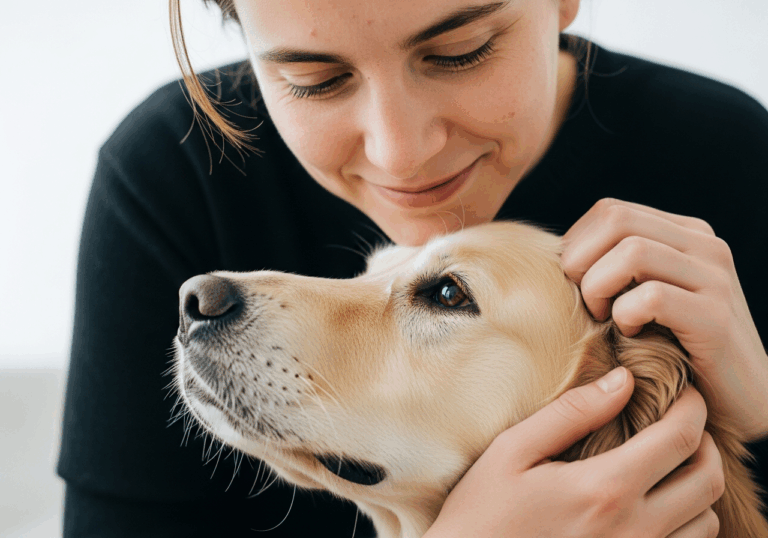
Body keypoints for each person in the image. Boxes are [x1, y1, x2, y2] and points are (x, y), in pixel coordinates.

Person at [57, 0, 768, 535]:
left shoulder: (730, 157)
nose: (401, 153)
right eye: (316, 77)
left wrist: (762, 417)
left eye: (460, 50)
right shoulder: (170, 173)